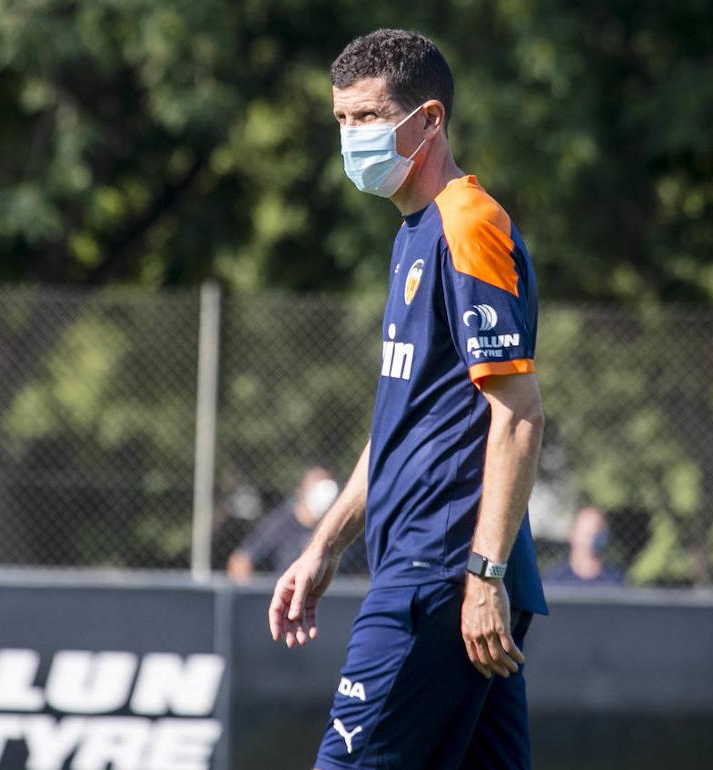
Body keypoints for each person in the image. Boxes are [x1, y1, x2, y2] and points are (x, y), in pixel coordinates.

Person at [267, 29, 549, 770]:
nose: (352, 137)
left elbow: (518, 414)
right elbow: (404, 425)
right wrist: (324, 547)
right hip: (436, 572)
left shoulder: (468, 225)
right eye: (341, 121)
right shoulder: (413, 233)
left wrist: (482, 576)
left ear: (428, 119)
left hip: (442, 572)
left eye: (367, 117)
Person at [227, 467, 345, 582]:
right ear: (302, 490)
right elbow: (240, 560)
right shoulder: (279, 524)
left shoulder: (342, 528)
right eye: (317, 489)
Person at [544, 506, 624, 586]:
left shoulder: (614, 579)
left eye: (597, 531)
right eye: (587, 533)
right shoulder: (555, 579)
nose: (592, 539)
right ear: (573, 535)